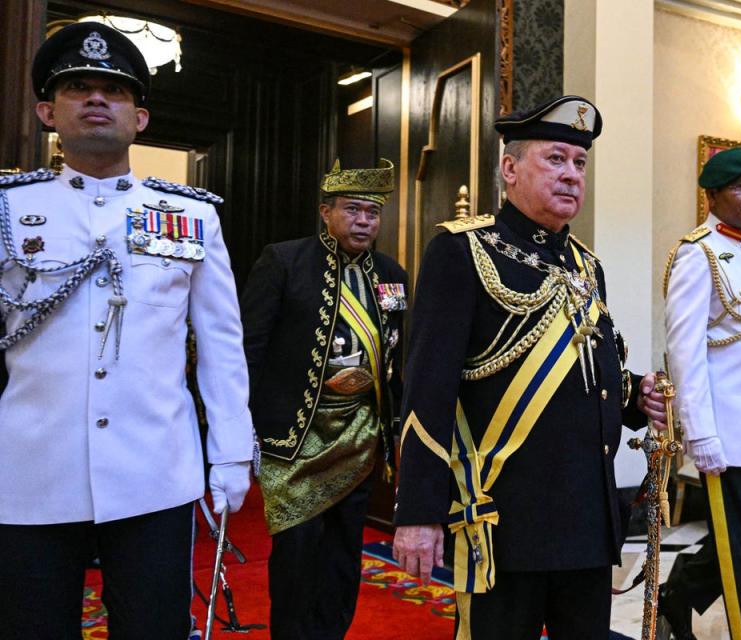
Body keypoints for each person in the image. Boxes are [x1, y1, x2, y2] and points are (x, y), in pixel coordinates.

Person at [0, 23, 253, 639]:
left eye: (113, 91)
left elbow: (221, 344)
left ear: (139, 118)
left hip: (153, 471)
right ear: (45, 112)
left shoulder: (191, 216)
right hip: (29, 468)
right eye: (77, 89)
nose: (95, 100)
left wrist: (231, 453)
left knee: (153, 627)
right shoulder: (7, 209)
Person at [390, 95, 666, 639]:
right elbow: (426, 388)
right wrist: (419, 512)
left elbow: (590, 371)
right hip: (505, 520)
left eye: (580, 164)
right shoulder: (463, 251)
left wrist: (636, 396)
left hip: (588, 517)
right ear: (510, 169)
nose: (571, 176)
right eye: (556, 159)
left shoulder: (587, 265)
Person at [241, 158, 407, 640]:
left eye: (372, 213)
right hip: (294, 441)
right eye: (353, 210)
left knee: (341, 559)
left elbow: (397, 358)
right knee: (295, 560)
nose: (363, 221)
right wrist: (238, 424)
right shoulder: (284, 261)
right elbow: (250, 347)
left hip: (360, 438)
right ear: (325, 212)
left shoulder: (392, 274)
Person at [658, 147, 741, 640]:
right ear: (712, 195)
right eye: (740, 187)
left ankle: (681, 592)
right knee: (736, 543)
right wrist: (700, 433)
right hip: (728, 426)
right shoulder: (698, 253)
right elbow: (686, 350)